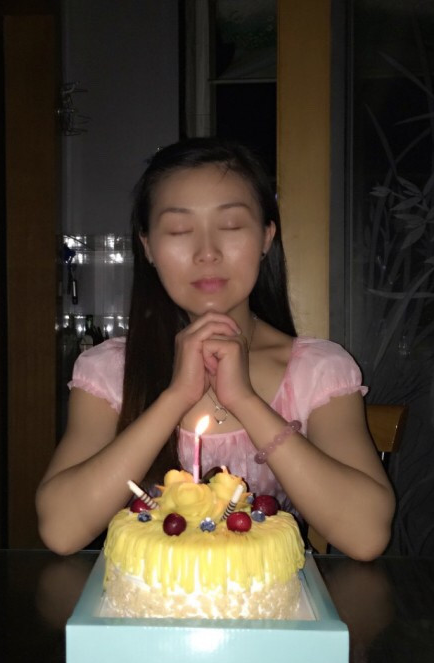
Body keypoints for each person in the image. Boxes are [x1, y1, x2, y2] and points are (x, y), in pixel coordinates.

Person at [36, 137, 395, 559]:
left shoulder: (317, 371)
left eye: (231, 226)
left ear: (266, 237)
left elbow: (366, 535)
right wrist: (176, 397)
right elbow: (61, 529)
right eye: (179, 230)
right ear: (147, 246)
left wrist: (244, 400)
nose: (207, 252)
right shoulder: (109, 371)